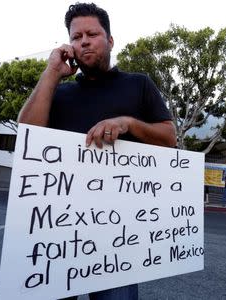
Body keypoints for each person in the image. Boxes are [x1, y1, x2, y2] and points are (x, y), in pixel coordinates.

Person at [18, 3, 176, 300]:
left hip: (117, 238)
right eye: (76, 37)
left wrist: (127, 123)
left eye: (92, 33)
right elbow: (27, 134)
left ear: (111, 40)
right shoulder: (59, 93)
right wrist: (52, 72)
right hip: (59, 233)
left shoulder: (138, 85)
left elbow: (170, 139)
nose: (84, 41)